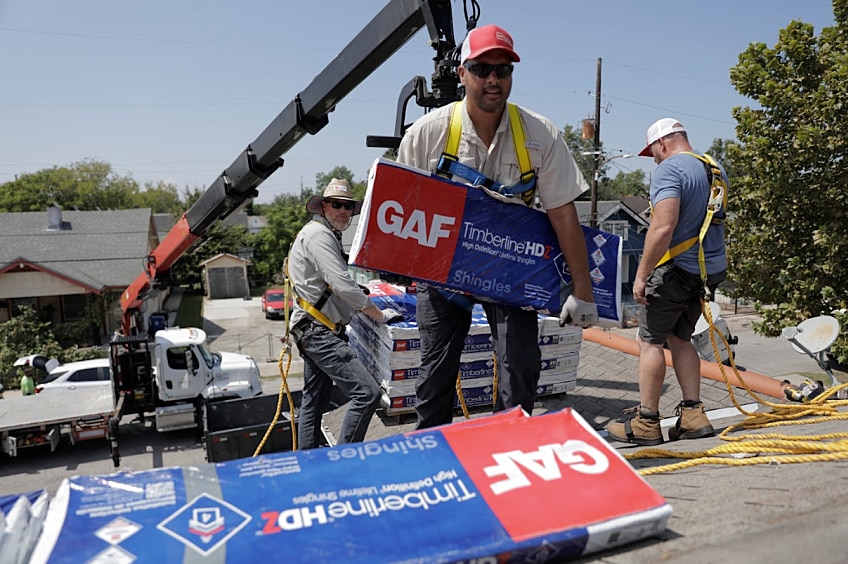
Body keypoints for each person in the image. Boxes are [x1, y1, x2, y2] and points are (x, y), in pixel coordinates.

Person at [396, 24, 598, 429]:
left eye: (502, 70)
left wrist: (582, 290)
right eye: (482, 68)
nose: (493, 79)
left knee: (520, 366)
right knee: (435, 375)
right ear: (462, 74)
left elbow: (562, 213)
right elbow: (400, 208)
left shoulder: (539, 136)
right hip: (443, 271)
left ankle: (508, 448)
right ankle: (434, 456)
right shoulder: (429, 135)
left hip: (510, 270)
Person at [607, 118, 728, 445]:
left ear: (662, 144)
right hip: (706, 270)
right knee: (681, 338)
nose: (655, 160)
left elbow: (663, 228)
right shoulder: (714, 169)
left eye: (654, 154)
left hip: (674, 270)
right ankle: (693, 415)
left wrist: (642, 274)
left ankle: (646, 422)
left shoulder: (670, 170)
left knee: (650, 342)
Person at [288, 178, 403, 449]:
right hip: (318, 331)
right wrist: (379, 314)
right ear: (324, 206)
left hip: (314, 328)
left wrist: (359, 289)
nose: (343, 211)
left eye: (348, 207)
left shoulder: (323, 234)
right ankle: (343, 457)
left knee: (313, 402)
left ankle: (307, 459)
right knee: (367, 393)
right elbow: (340, 283)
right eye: (336, 205)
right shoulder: (319, 235)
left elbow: (330, 283)